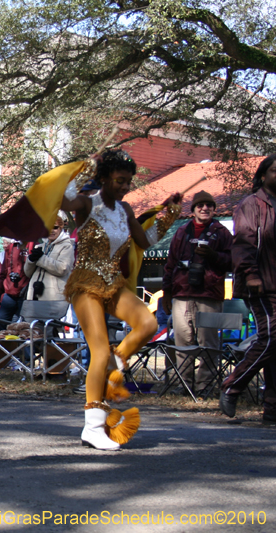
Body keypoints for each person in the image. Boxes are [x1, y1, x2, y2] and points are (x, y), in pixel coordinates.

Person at [60, 149, 181, 450]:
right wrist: (82, 169)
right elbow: (62, 200)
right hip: (85, 285)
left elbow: (146, 241)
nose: (125, 187)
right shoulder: (87, 203)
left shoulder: (125, 211)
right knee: (98, 353)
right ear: (104, 178)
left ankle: (116, 362)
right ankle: (93, 426)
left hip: (113, 283)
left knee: (148, 323)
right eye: (119, 181)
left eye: (128, 182)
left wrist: (170, 216)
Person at [220, 155, 276, 423]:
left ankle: (272, 408)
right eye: (275, 171)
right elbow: (242, 243)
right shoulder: (251, 204)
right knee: (270, 338)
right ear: (263, 175)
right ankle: (233, 385)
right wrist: (252, 274)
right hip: (261, 284)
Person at [162, 191, 232, 395]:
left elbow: (234, 261)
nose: (205, 208)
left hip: (209, 295)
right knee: (183, 341)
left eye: (209, 205)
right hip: (182, 294)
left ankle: (205, 386)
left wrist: (213, 255)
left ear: (214, 209)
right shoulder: (182, 232)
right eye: (200, 205)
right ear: (193, 210)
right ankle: (183, 384)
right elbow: (170, 264)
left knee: (208, 343)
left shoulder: (222, 232)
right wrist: (167, 291)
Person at [23, 210, 74, 302]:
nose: (51, 231)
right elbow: (28, 273)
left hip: (54, 298)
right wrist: (30, 260)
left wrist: (42, 259)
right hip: (34, 295)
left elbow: (63, 269)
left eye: (55, 227)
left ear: (61, 228)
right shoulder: (40, 247)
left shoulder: (67, 246)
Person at [0, 239, 34, 324]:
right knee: (1, 321)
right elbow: (3, 271)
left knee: (19, 326)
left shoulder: (33, 245)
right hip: (10, 293)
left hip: (25, 295)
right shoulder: (11, 247)